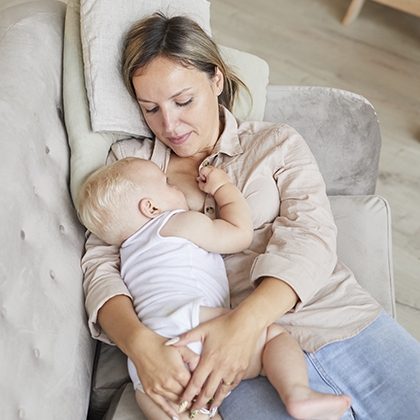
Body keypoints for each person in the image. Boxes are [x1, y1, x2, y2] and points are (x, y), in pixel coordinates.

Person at [81, 12, 420, 420]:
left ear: (217, 80)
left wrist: (241, 327)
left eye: (183, 100)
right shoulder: (130, 167)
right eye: (150, 108)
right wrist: (140, 345)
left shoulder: (275, 143)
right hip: (226, 368)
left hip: (335, 319)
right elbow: (100, 265)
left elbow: (311, 236)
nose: (168, 124)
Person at [77, 157, 351, 420]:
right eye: (168, 184)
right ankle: (297, 393)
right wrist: (223, 189)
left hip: (150, 355)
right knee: (274, 338)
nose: (175, 186)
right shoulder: (174, 223)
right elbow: (238, 234)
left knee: (173, 406)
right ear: (151, 208)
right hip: (191, 319)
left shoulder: (127, 255)